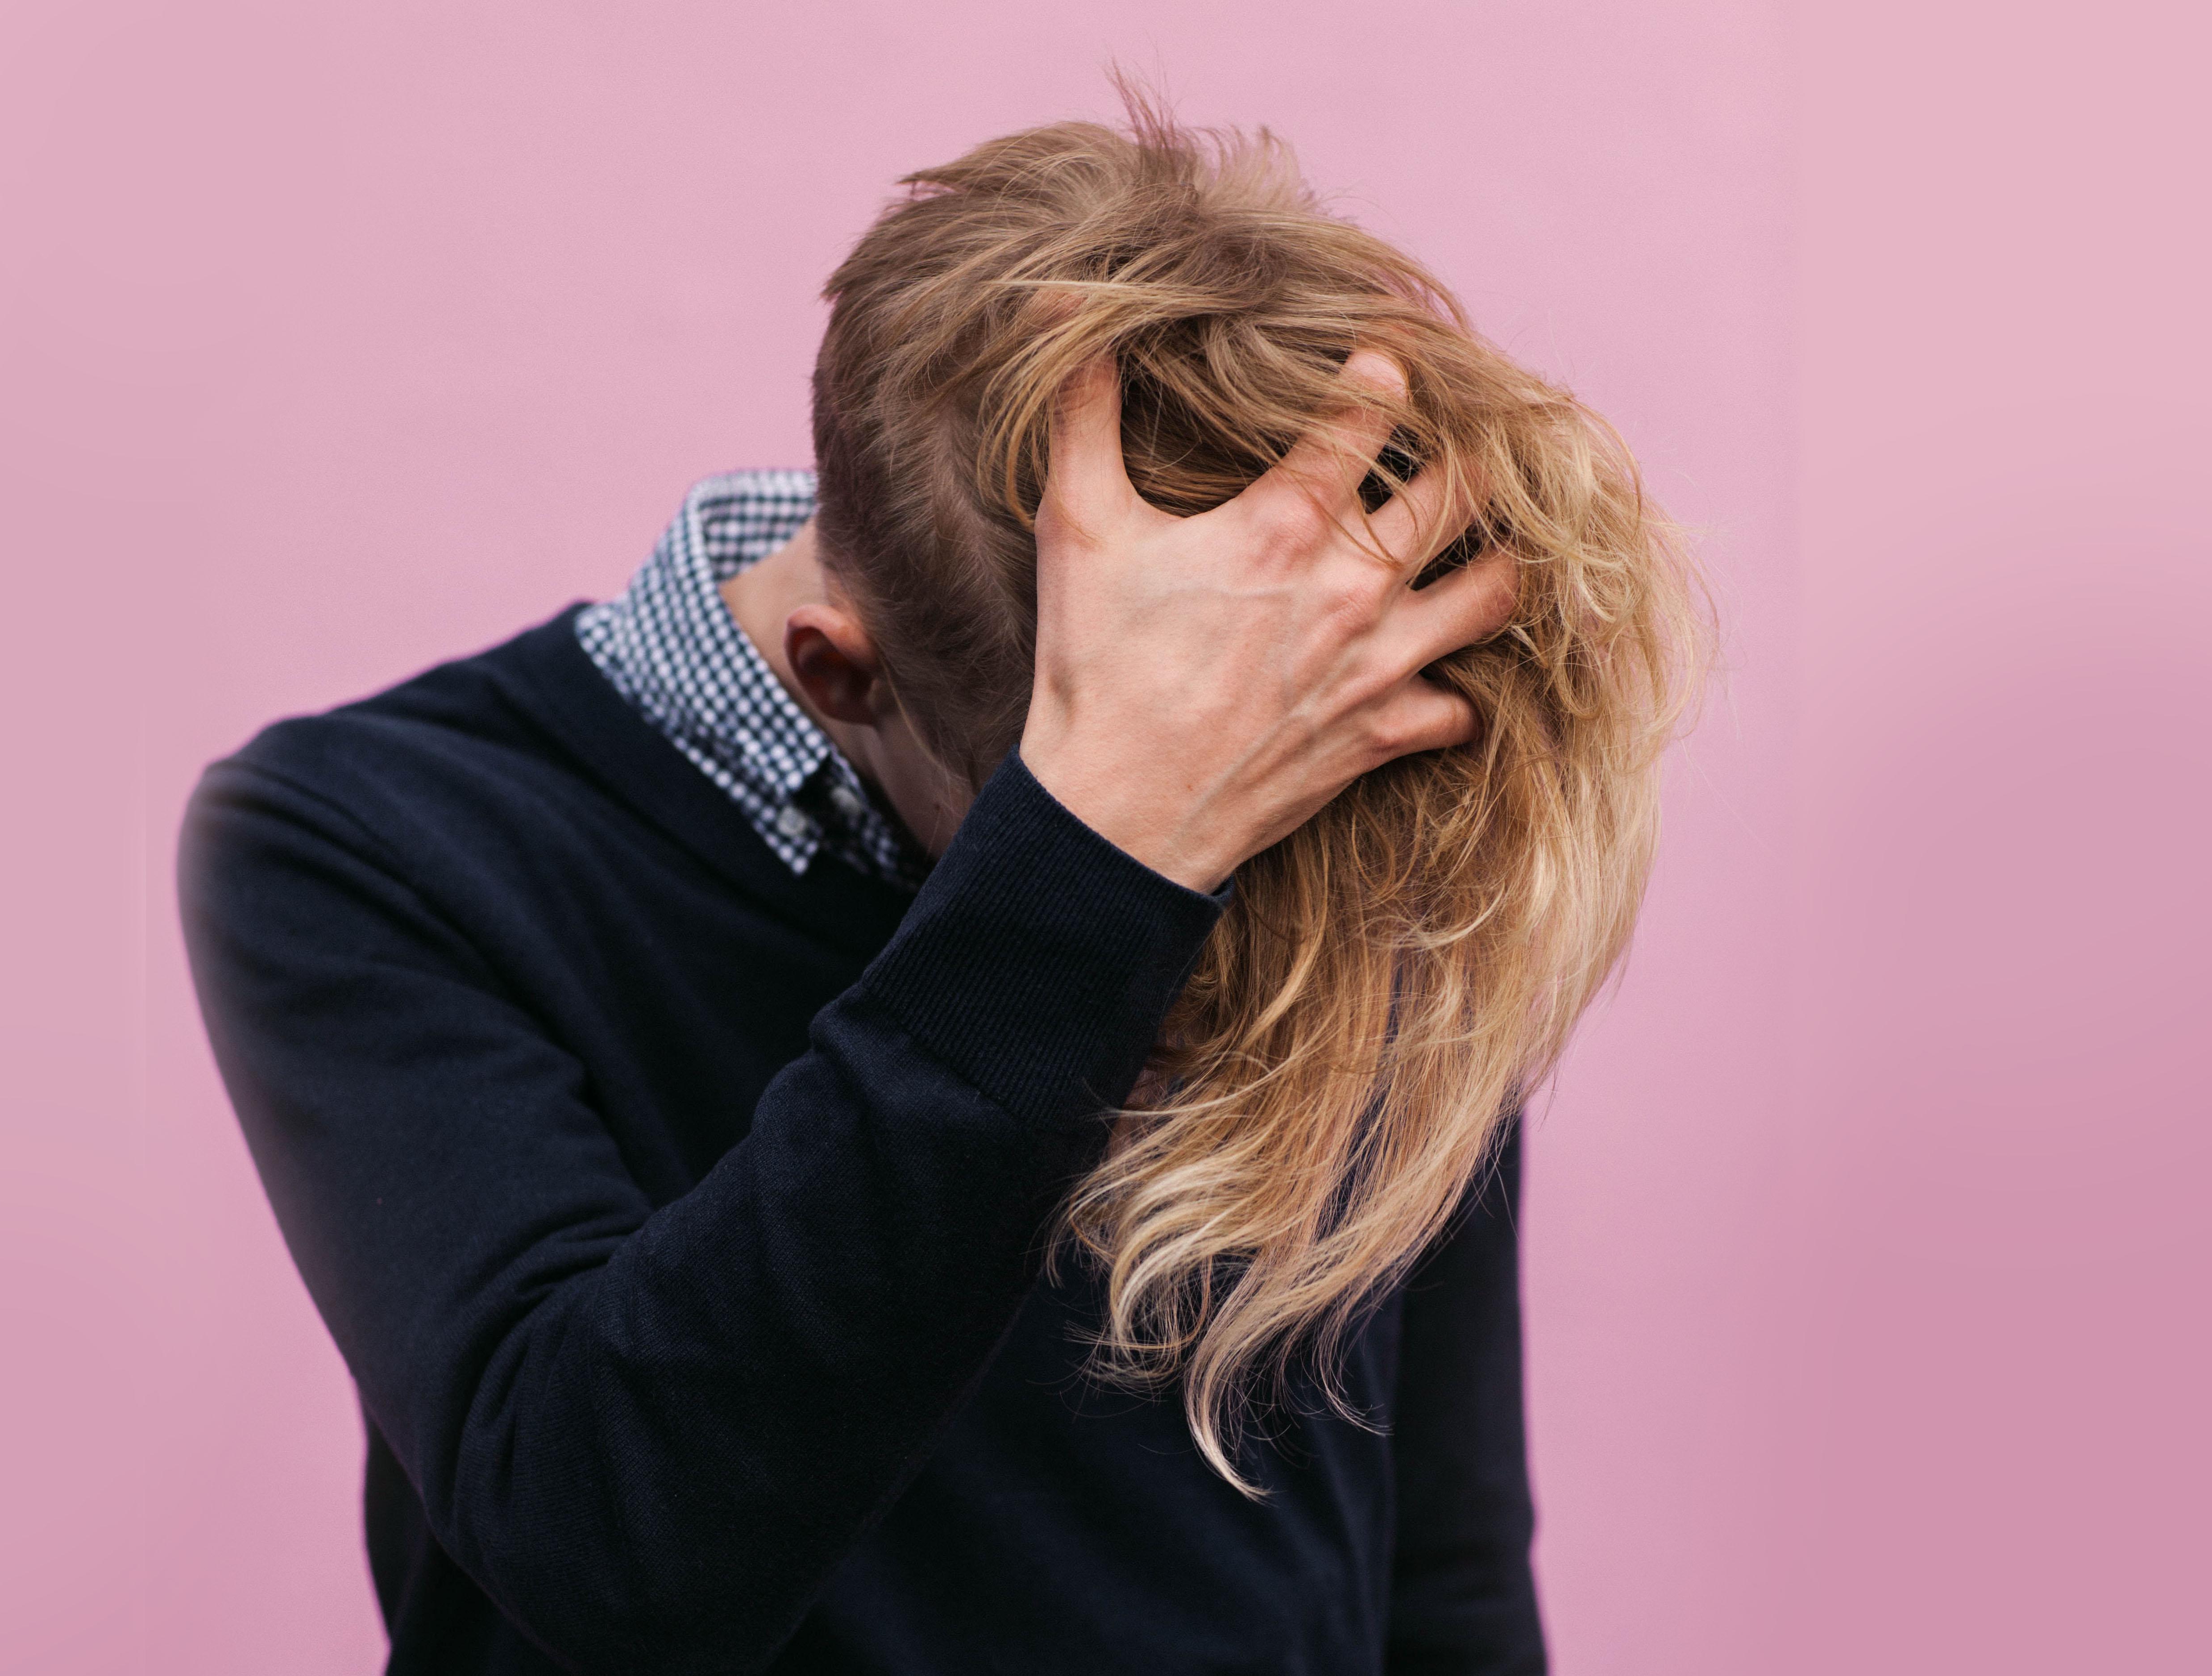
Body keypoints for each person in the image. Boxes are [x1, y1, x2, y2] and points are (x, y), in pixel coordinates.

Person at [182, 100, 1702, 1676]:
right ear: (840, 676)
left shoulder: (1350, 747)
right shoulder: (364, 841)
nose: (1221, 983)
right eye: (1194, 842)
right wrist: (1096, 862)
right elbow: (610, 1546)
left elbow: (1438, 1559)